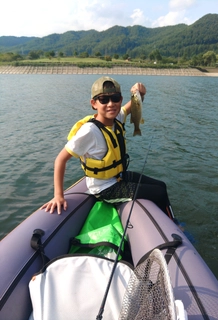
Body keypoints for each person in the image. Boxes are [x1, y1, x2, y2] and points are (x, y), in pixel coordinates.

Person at [41, 76, 174, 219]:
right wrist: (58, 196)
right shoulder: (89, 131)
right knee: (158, 193)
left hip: (118, 177)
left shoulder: (117, 118)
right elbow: (60, 160)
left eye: (115, 98)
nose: (111, 104)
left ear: (120, 100)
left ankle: (171, 219)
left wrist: (140, 91)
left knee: (161, 186)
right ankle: (174, 225)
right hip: (105, 189)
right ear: (94, 104)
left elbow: (135, 103)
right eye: (104, 100)